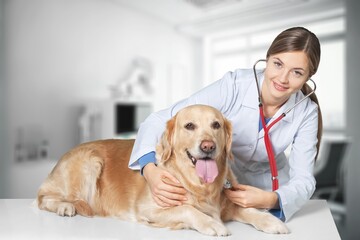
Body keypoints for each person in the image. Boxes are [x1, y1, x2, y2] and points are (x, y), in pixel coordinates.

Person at [128, 26, 322, 222]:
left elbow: (304, 179)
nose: (282, 78)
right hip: (222, 183)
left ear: (308, 77)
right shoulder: (234, 85)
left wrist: (272, 199)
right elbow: (161, 119)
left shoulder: (307, 113)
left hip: (270, 188)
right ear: (267, 58)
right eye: (278, 64)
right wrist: (149, 169)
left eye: (297, 72)